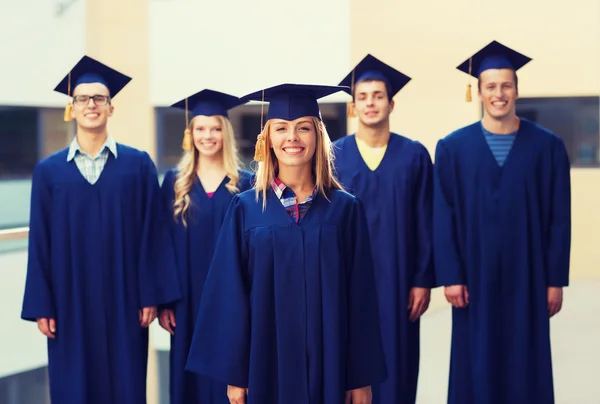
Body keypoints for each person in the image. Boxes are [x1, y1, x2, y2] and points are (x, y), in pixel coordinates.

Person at [185, 83, 387, 404]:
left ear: (318, 138)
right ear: (267, 141)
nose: (292, 137)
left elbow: (360, 298)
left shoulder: (345, 209)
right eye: (281, 129)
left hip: (329, 363)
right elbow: (229, 294)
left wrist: (360, 378)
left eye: (303, 128)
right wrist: (236, 375)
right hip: (264, 364)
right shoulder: (246, 208)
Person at [20, 55, 181, 404]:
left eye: (99, 99)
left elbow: (152, 234)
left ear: (111, 108)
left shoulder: (137, 165)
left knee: (124, 384)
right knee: (73, 387)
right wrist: (42, 304)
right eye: (83, 99)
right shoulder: (48, 173)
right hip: (68, 302)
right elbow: (41, 243)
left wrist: (150, 295)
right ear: (72, 109)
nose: (91, 105)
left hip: (126, 299)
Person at [433, 40, 571, 404]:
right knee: (475, 362)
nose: (499, 93)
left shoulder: (548, 147)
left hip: (530, 275)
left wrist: (555, 280)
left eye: (506, 85)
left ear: (517, 90)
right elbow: (442, 215)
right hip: (472, 278)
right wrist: (451, 275)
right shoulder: (452, 148)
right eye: (491, 86)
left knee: (526, 362)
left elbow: (559, 217)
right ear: (477, 91)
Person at [334, 54, 435, 404]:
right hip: (345, 281)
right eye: (362, 97)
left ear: (391, 103)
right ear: (352, 107)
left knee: (398, 365)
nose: (370, 103)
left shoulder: (415, 155)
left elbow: (426, 220)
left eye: (378, 95)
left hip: (400, 281)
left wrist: (422, 278)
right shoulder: (334, 157)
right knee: (348, 367)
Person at [158, 89, 254, 404]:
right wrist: (165, 301)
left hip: (233, 297)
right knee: (190, 381)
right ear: (190, 135)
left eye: (215, 128)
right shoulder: (175, 182)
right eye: (200, 129)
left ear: (225, 133)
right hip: (187, 300)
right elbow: (163, 243)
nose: (207, 136)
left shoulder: (245, 183)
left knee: (232, 372)